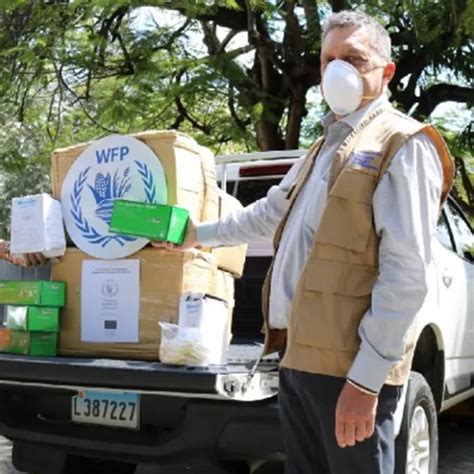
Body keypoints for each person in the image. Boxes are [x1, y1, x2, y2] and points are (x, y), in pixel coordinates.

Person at [154, 10, 453, 474]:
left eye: (353, 58)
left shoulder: (403, 143)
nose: (338, 70)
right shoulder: (326, 145)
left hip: (348, 372)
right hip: (299, 359)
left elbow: (407, 275)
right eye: (328, 59)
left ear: (386, 71)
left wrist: (367, 382)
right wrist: (197, 237)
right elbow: (271, 212)